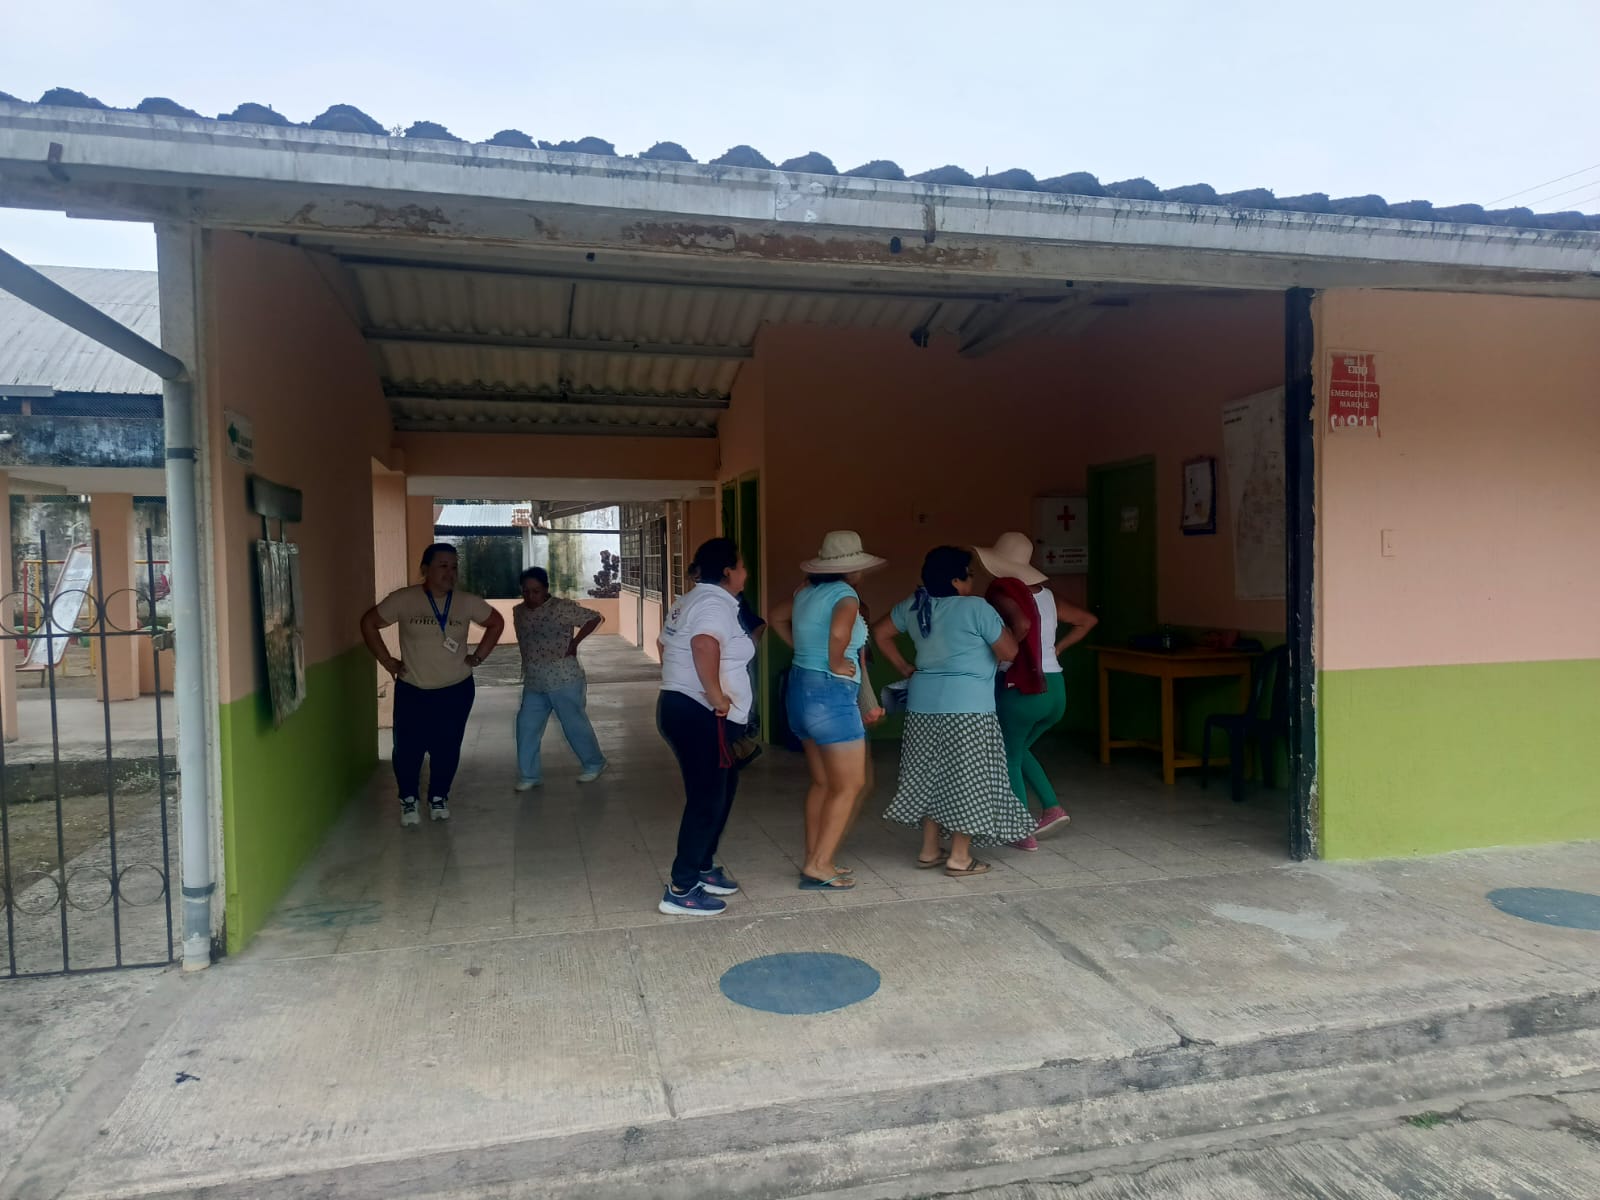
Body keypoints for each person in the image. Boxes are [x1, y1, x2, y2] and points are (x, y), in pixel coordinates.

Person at [873, 546, 1031, 876]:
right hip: (968, 707)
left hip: (922, 705)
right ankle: (960, 857)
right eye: (970, 575)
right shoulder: (976, 607)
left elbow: (881, 632)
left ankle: (929, 849)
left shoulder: (915, 604)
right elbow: (1009, 652)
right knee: (967, 780)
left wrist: (904, 666)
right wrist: (1013, 628)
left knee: (930, 775)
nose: (972, 581)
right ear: (957, 580)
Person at [769, 531, 887, 890]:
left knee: (823, 782)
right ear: (852, 569)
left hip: (800, 689)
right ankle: (819, 865)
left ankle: (815, 858)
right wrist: (835, 661)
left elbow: (775, 617)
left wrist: (804, 649)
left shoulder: (805, 593)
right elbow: (839, 633)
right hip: (831, 695)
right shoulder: (846, 595)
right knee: (851, 784)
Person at [361, 543, 504, 828]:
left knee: (447, 747)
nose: (450, 572)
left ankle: (439, 796)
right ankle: (408, 798)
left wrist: (478, 656)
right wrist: (387, 661)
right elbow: (369, 623)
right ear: (425, 569)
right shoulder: (404, 599)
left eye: (454, 567)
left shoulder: (467, 602)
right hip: (413, 688)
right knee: (408, 749)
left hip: (456, 689)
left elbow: (496, 623)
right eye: (443, 566)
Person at [655, 538, 756, 916]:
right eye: (742, 566)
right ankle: (681, 888)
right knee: (706, 798)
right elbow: (702, 644)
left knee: (722, 788)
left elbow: (664, 646)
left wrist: (679, 682)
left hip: (686, 708)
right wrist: (716, 696)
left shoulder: (691, 600)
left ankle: (702, 865)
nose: (745, 573)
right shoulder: (714, 603)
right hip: (701, 714)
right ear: (728, 571)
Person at [975, 533, 1098, 841]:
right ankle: (1052, 808)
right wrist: (1057, 649)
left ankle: (1021, 830)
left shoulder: (1002, 594)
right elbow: (1087, 620)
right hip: (1055, 688)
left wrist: (1005, 653)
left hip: (1023, 688)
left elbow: (1021, 627)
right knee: (1019, 749)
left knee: (1009, 756)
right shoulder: (1049, 596)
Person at [511, 566, 607, 790]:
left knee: (574, 725)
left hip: (563, 678)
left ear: (546, 589)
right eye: (526, 591)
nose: (530, 596)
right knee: (526, 726)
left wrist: (575, 643)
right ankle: (529, 776)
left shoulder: (561, 607)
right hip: (534, 680)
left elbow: (595, 618)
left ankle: (594, 763)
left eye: (536, 591)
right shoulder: (519, 611)